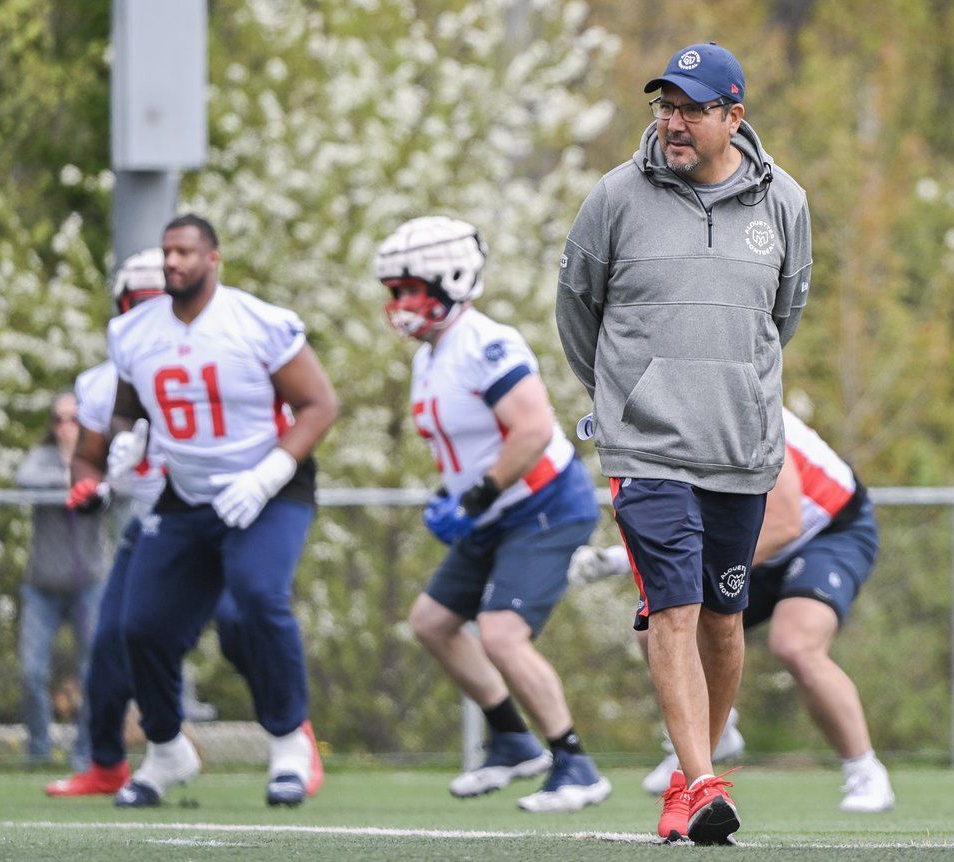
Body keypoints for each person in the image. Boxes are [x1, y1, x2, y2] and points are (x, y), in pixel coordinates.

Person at [556, 42, 812, 844]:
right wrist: (624, 399)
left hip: (739, 448)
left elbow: (784, 319)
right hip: (647, 450)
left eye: (691, 108)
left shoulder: (786, 206)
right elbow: (577, 314)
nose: (672, 121)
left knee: (725, 621)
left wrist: (731, 384)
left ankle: (684, 778)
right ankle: (704, 784)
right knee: (674, 606)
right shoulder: (615, 197)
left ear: (733, 117)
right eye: (664, 105)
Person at [74, 214, 338, 808]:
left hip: (268, 487)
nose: (173, 262)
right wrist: (128, 439)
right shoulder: (136, 332)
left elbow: (319, 404)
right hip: (187, 490)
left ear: (213, 258)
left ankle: (289, 743)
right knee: (139, 625)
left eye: (186, 252)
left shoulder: (257, 322)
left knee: (256, 596)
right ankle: (167, 748)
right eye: (167, 252)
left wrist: (269, 472)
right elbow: (126, 407)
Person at [376, 215, 609, 813]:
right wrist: (454, 492)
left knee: (503, 635)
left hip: (542, 506)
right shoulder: (429, 354)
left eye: (410, 289)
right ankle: (511, 740)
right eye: (395, 290)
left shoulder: (486, 342)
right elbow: (466, 442)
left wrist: (473, 496)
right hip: (494, 510)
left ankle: (575, 763)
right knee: (432, 622)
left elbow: (532, 429)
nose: (400, 303)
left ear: (451, 280)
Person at [571, 408, 895, 812]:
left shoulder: (744, 412)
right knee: (656, 627)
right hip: (761, 541)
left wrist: (647, 565)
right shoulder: (678, 421)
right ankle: (715, 733)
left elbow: (785, 524)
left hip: (827, 534)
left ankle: (864, 770)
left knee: (796, 645)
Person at [15, 391, 110, 771]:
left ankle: (85, 754)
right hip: (42, 586)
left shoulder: (99, 456)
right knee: (31, 670)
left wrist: (85, 476)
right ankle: (39, 750)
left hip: (89, 583)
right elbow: (25, 480)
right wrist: (72, 475)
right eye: (59, 419)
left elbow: (110, 486)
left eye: (73, 419)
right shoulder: (40, 457)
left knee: (92, 673)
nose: (65, 426)